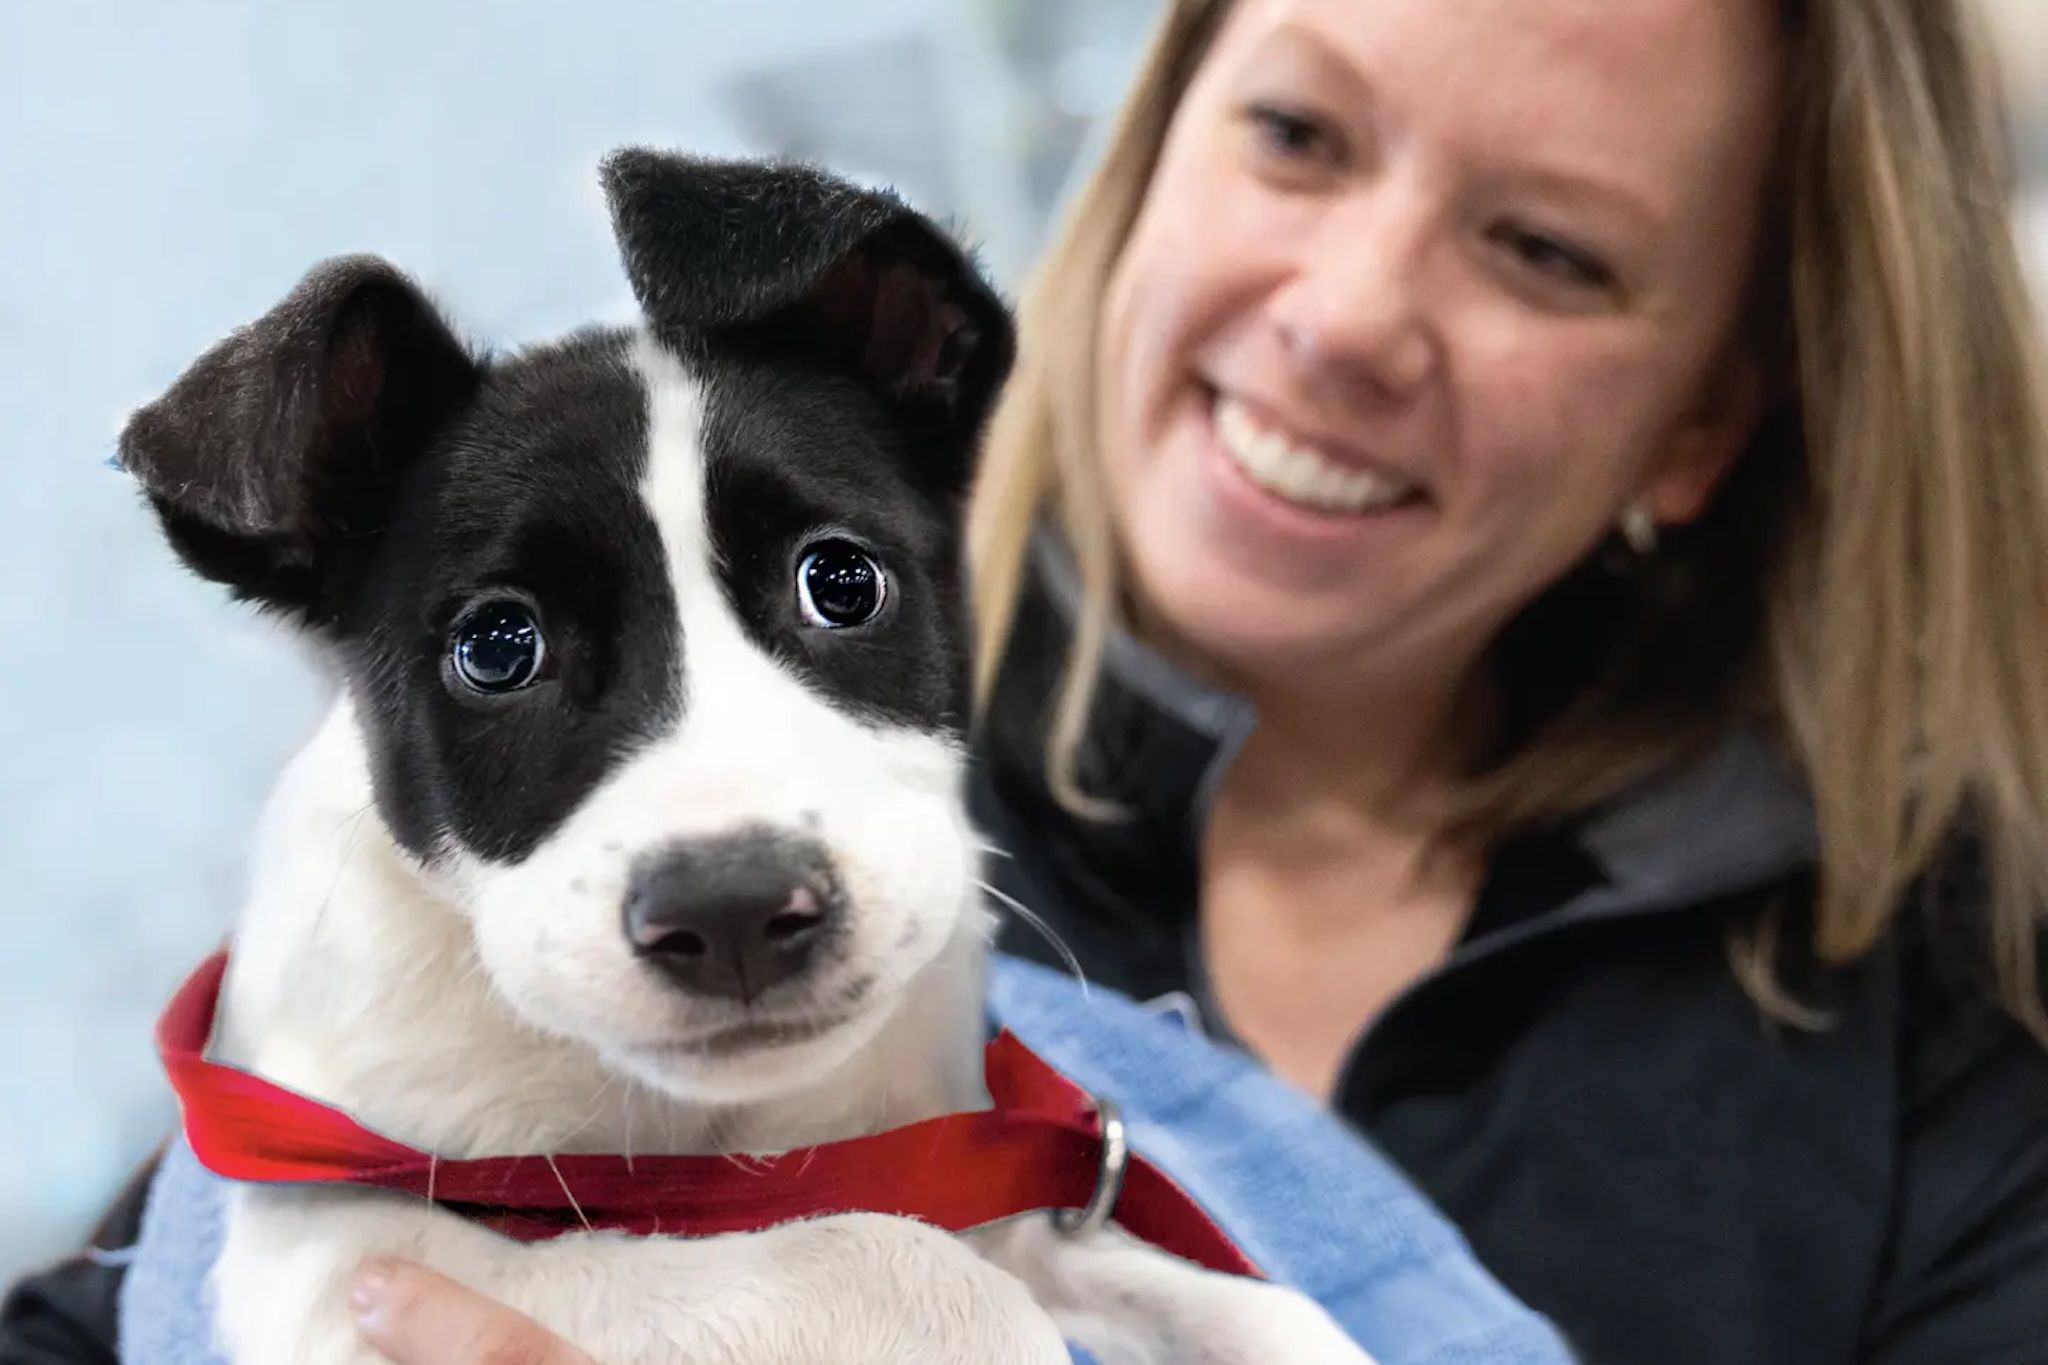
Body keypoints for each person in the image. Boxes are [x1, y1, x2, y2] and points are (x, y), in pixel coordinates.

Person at [8, 0, 2048, 1360]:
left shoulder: (1943, 1061)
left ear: (1706, 421)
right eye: (1297, 132)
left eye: (1548, 251)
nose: (1344, 316)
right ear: (1143, 160)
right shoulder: (426, 950)